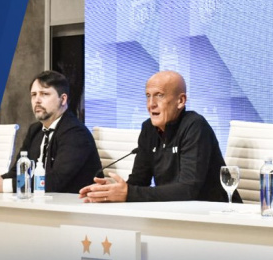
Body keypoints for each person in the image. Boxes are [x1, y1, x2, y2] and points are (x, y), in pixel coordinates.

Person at [79, 70, 233, 203]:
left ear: (180, 101)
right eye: (148, 96)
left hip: (215, 213)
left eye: (159, 95)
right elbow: (139, 181)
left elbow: (188, 189)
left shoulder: (195, 126)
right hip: (171, 212)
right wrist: (113, 189)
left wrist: (129, 193)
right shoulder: (149, 129)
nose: (151, 104)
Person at [0, 71, 101, 194]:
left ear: (63, 99)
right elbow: (17, 172)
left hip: (74, 204)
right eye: (33, 95)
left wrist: (3, 186)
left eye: (44, 94)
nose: (37, 100)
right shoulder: (35, 130)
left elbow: (56, 181)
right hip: (42, 202)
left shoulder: (76, 133)